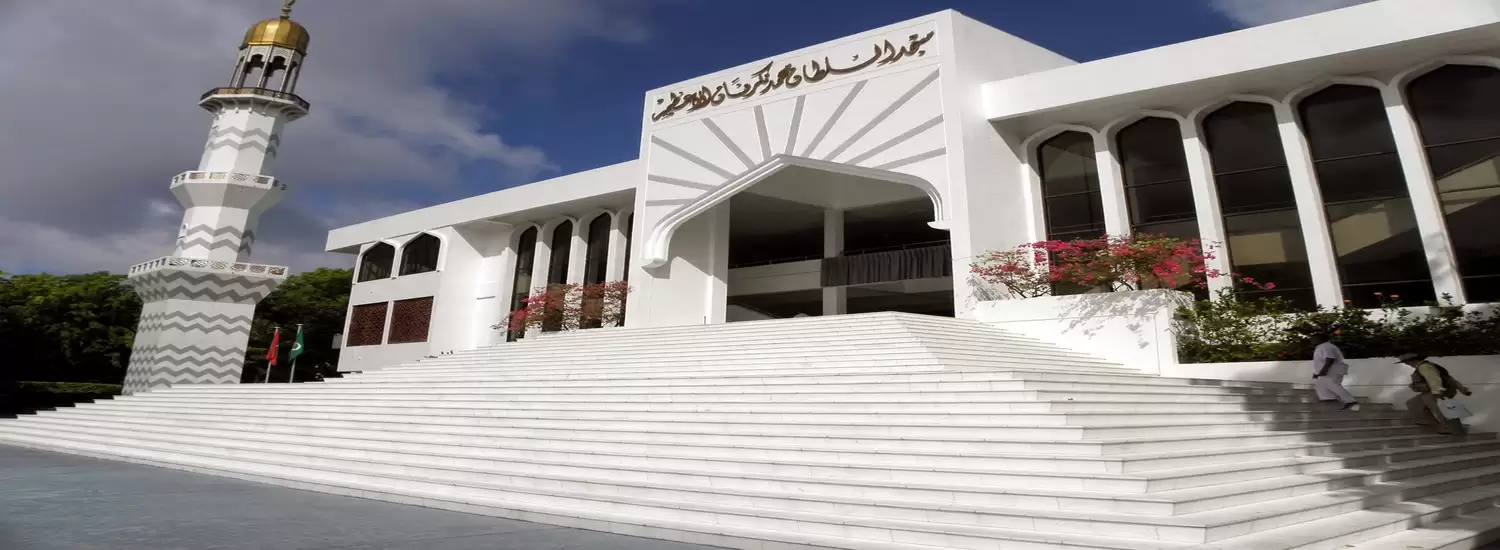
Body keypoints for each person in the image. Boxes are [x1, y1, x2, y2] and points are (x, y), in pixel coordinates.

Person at [1397, 352, 1472, 435]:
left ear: (1412, 360)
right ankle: (1435, 425)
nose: (1406, 364)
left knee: (1438, 409)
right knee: (1413, 403)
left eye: (1406, 362)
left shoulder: (1424, 367)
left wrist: (1437, 392)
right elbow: (1448, 378)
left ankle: (1446, 427)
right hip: (1440, 390)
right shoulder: (1430, 365)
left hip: (1435, 392)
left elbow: (1433, 379)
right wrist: (1462, 389)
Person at [1308, 330, 1359, 411]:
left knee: (1333, 385)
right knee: (1321, 386)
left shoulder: (1326, 346)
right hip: (1326, 372)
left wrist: (1324, 371)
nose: (1311, 340)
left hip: (1332, 371)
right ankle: (1330, 401)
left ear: (1320, 339)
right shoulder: (1321, 347)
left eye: (1314, 338)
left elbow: (1330, 359)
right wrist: (1318, 373)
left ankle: (1351, 401)